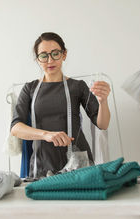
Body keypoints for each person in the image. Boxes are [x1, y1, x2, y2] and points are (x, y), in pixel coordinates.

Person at [10, 32, 111, 178]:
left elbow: (103, 124)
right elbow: (15, 128)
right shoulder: (29, 89)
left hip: (78, 163)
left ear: (64, 55)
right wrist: (46, 135)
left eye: (55, 53)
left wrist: (103, 101)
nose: (50, 60)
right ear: (38, 59)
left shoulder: (78, 86)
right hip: (42, 164)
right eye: (44, 55)